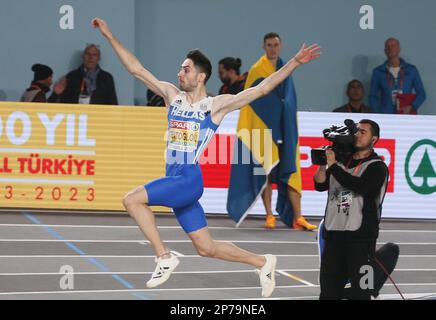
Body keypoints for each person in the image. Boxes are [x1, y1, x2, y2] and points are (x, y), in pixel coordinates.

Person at [93, 17, 321, 297]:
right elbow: (135, 69)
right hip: (176, 178)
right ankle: (263, 262)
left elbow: (261, 89)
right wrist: (109, 35)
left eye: (186, 69)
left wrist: (295, 62)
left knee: (131, 199)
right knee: (206, 248)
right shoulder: (171, 95)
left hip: (188, 178)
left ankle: (164, 257)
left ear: (200, 76)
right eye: (180, 68)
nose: (180, 73)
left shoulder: (215, 106)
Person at [314, 119, 389, 300]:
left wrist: (333, 166)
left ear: (374, 139)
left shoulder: (377, 167)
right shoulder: (339, 162)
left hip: (362, 241)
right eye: (356, 131)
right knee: (328, 293)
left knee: (361, 293)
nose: (357, 135)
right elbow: (320, 184)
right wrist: (323, 164)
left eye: (363, 132)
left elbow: (360, 186)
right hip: (334, 237)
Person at [369, 38, 426, 114]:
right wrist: (378, 112)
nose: (390, 48)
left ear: (399, 49)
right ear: (385, 51)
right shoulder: (378, 72)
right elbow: (372, 96)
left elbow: (421, 94)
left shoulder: (411, 70)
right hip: (386, 115)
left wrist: (412, 107)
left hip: (406, 114)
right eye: (387, 46)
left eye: (393, 45)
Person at [50, 44, 118, 105]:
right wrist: (56, 94)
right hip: (77, 116)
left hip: (98, 117)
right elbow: (61, 104)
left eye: (94, 55)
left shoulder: (107, 78)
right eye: (88, 54)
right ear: (83, 56)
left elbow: (113, 103)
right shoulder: (71, 76)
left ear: (99, 58)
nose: (90, 57)